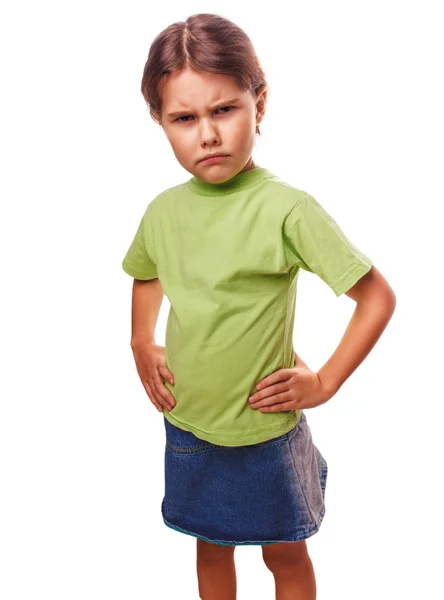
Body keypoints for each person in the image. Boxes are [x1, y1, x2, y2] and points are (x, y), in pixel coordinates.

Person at [121, 12, 396, 600]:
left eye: (224, 109)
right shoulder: (163, 212)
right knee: (210, 549)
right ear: (160, 122)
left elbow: (375, 297)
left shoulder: (287, 209)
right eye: (184, 118)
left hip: (266, 430)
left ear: (259, 104)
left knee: (285, 553)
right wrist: (142, 340)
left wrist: (324, 382)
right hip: (189, 423)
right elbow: (147, 275)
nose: (208, 135)